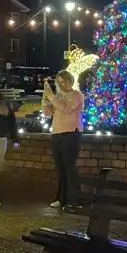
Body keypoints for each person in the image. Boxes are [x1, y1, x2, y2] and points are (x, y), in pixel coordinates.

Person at [42, 70, 85, 210]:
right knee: (60, 168)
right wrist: (45, 99)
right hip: (57, 133)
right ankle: (61, 198)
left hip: (71, 133)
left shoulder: (77, 96)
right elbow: (48, 113)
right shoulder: (58, 96)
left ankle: (75, 199)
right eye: (59, 82)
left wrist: (52, 97)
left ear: (71, 81)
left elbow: (66, 109)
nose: (62, 84)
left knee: (69, 167)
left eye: (64, 81)